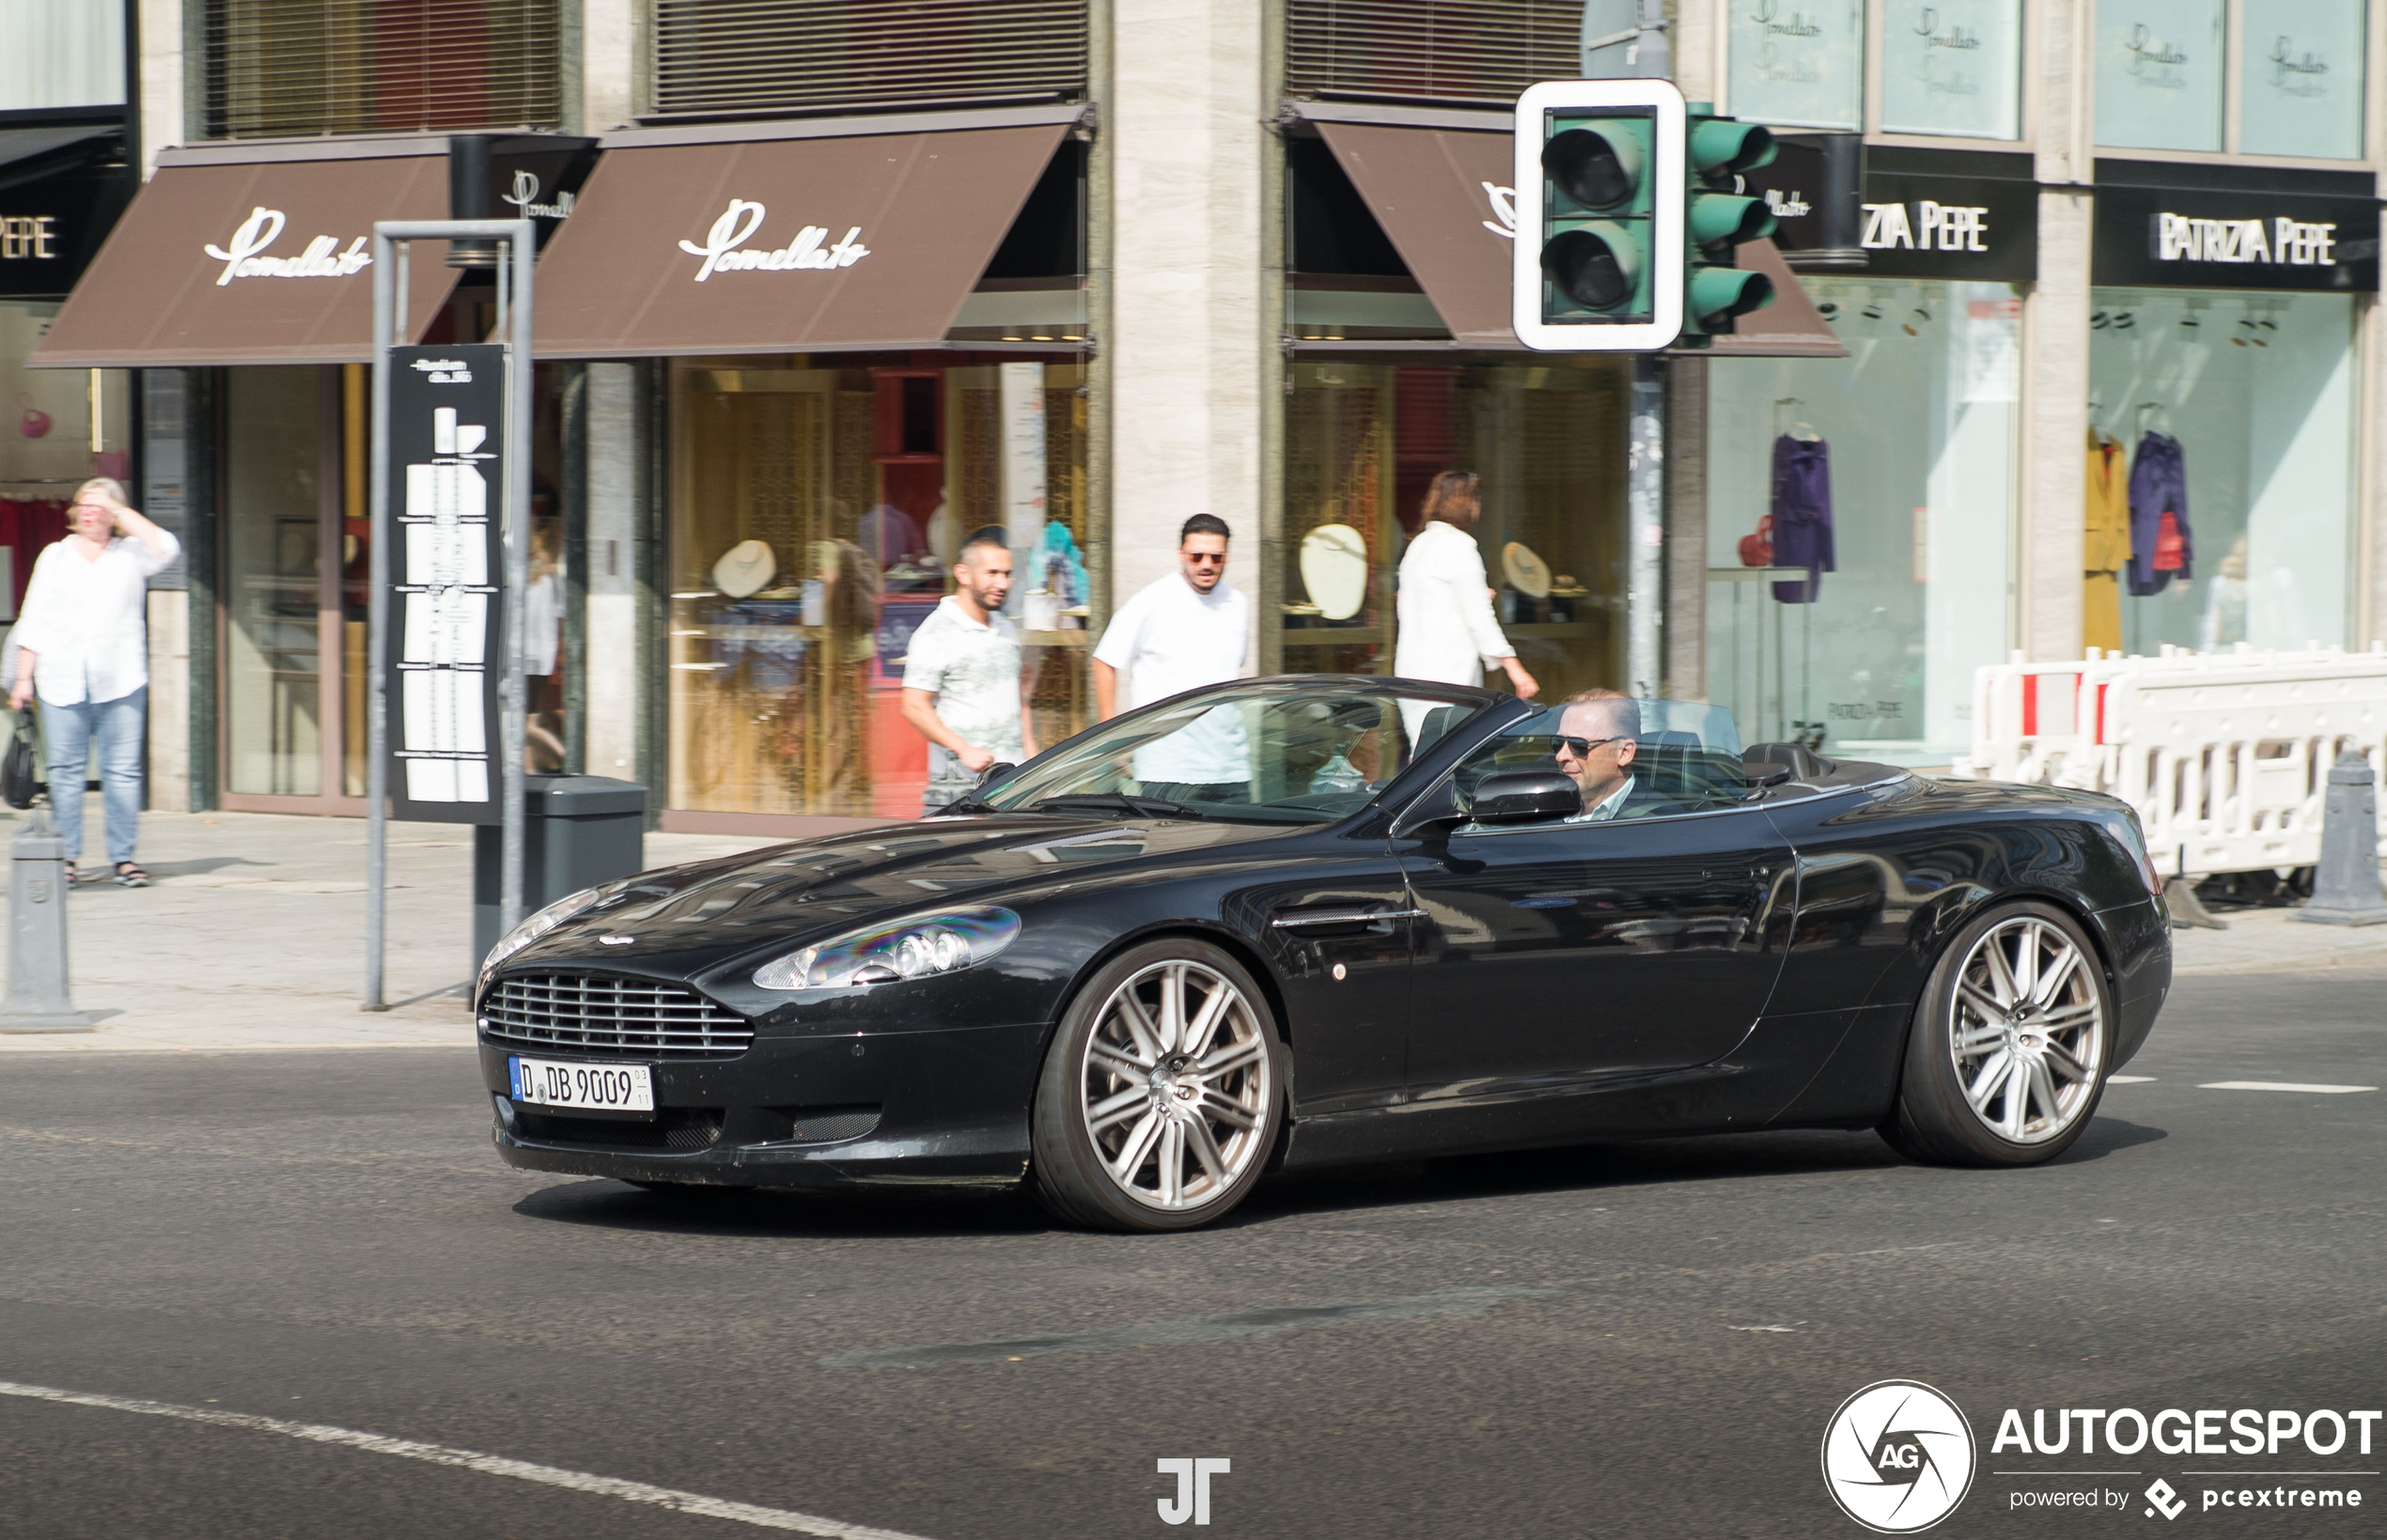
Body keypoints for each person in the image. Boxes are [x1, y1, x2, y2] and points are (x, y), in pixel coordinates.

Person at [8, 477, 179, 887]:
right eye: (83, 504)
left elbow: (169, 548)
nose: (88, 511)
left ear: (113, 514)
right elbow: (34, 618)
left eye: (98, 505)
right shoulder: (55, 556)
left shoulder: (131, 555)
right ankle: (67, 859)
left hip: (121, 679)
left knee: (122, 772)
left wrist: (120, 511)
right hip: (62, 679)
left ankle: (124, 859)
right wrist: (22, 678)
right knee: (66, 772)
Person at [1092, 513, 1252, 802]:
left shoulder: (1239, 604)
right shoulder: (1151, 600)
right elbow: (1105, 659)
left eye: (1216, 557)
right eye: (1197, 556)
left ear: (1226, 557)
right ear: (1181, 554)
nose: (1206, 564)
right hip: (1166, 769)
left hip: (1231, 768)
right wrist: (1112, 739)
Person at [901, 527, 1037, 815]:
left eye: (1007, 574)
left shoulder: (1006, 627)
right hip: (960, 789)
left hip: (1013, 784)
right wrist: (963, 749)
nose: (1002, 583)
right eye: (992, 573)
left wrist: (1033, 757)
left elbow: (1019, 699)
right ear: (963, 574)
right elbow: (914, 705)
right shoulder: (937, 632)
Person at [1393, 470, 1538, 698]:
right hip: (1449, 675)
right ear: (1467, 503)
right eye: (1476, 499)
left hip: (1411, 673)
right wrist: (1515, 668)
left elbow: (1416, 601)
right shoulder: (1459, 546)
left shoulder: (1419, 545)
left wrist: (1471, 596)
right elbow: (1479, 615)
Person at [1550, 689, 1673, 822]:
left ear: (1624, 753)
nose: (1561, 756)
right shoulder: (1545, 812)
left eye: (1579, 745)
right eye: (1558, 743)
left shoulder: (1660, 822)